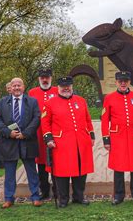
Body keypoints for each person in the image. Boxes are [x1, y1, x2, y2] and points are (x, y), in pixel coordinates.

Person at [41, 76, 95, 208]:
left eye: (68, 86)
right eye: (63, 86)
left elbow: (88, 119)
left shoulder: (81, 101)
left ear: (72, 86)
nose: (66, 88)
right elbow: (45, 122)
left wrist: (91, 135)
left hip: (80, 142)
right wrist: (48, 138)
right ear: (58, 87)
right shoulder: (50, 103)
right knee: (61, 173)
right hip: (61, 143)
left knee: (80, 170)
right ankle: (63, 199)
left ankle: (78, 197)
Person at [101, 71, 133, 205]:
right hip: (117, 137)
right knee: (118, 166)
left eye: (125, 81)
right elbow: (105, 120)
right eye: (120, 81)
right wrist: (106, 139)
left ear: (129, 82)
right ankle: (118, 195)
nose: (123, 83)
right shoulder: (109, 98)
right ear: (116, 82)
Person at [0, 77, 42, 208]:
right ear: (11, 87)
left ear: (23, 87)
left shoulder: (32, 102)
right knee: (9, 172)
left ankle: (35, 197)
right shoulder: (3, 102)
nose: (16, 88)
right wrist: (8, 132)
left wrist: (25, 133)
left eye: (19, 85)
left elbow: (37, 118)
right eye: (14, 85)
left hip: (28, 141)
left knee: (31, 171)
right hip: (9, 142)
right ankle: (9, 198)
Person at [28, 69, 58, 200]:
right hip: (38, 132)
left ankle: (57, 190)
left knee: (55, 160)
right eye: (42, 78)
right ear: (39, 79)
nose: (45, 80)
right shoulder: (32, 93)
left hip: (55, 131)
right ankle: (44, 190)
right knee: (40, 161)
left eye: (47, 77)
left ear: (51, 78)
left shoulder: (58, 91)